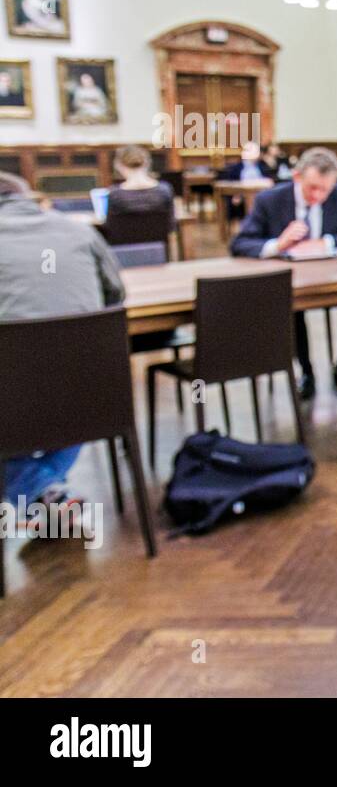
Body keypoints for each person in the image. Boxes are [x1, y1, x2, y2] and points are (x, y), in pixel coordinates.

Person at [0, 172, 124, 525]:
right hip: (91, 393)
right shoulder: (79, 231)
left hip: (13, 397)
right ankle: (45, 492)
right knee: (75, 384)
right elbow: (115, 297)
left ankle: (32, 490)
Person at [229, 147, 337, 400]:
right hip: (290, 279)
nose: (318, 196)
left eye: (325, 189)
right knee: (290, 305)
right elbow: (239, 244)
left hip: (332, 276)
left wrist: (327, 242)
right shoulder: (271, 200)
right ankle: (304, 371)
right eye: (312, 188)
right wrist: (278, 244)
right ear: (297, 177)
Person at [107, 144, 173, 222]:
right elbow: (171, 225)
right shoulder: (164, 191)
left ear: (118, 165)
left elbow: (111, 227)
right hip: (157, 234)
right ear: (148, 162)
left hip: (127, 234)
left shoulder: (115, 194)